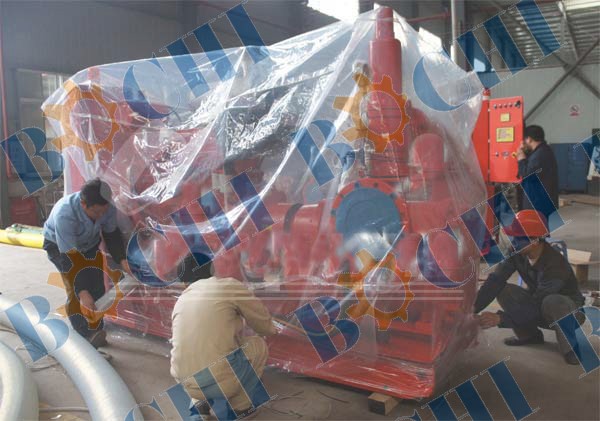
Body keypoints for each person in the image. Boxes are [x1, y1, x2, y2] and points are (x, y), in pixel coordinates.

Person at [170, 254, 277, 419]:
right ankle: (241, 408)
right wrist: (272, 329)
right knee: (258, 345)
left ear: (184, 282)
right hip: (221, 381)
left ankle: (199, 405)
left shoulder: (181, 300)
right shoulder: (228, 286)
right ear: (212, 270)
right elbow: (263, 325)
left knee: (198, 353)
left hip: (184, 382)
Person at [474, 210, 584, 365]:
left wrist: (501, 319)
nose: (514, 242)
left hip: (568, 312)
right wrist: (472, 309)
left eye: (518, 238)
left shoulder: (555, 264)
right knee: (505, 290)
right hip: (538, 304)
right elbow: (495, 281)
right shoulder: (516, 252)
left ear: (535, 241)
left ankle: (570, 348)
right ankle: (530, 336)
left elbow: (537, 305)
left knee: (553, 301)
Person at [43, 178, 129, 348]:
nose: (101, 215)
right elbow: (70, 259)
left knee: (97, 287)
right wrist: (82, 291)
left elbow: (111, 235)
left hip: (89, 244)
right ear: (83, 204)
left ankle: (96, 330)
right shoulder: (65, 214)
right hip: (60, 248)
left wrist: (122, 260)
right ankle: (83, 337)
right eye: (96, 212)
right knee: (77, 292)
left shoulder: (107, 208)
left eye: (104, 211)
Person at [516, 125, 559, 224]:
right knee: (539, 228)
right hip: (542, 201)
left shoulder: (539, 155)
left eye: (524, 140)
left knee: (535, 228)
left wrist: (521, 158)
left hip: (538, 203)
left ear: (529, 139)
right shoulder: (543, 151)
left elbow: (526, 174)